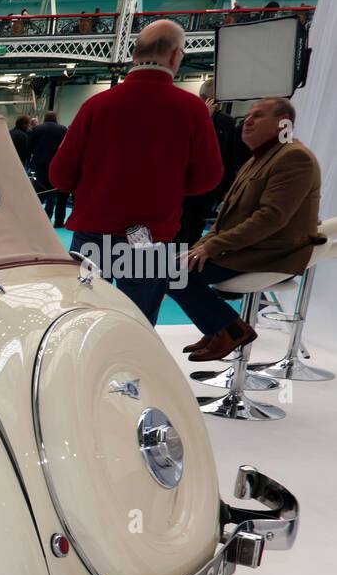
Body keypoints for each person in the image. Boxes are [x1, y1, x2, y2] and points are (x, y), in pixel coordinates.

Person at [49, 19, 222, 324]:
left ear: (133, 55)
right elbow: (208, 178)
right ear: (175, 55)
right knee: (138, 326)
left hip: (94, 237)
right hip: (148, 241)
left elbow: (60, 175)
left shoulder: (96, 106)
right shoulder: (192, 110)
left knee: (82, 319)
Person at [169, 98, 324, 361]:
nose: (247, 121)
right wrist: (199, 247)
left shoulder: (293, 157)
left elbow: (270, 218)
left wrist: (211, 247)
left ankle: (229, 330)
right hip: (251, 246)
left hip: (271, 251)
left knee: (174, 274)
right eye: (249, 115)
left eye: (258, 116)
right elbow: (225, 219)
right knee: (174, 266)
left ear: (283, 123)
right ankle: (218, 329)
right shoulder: (261, 157)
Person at [175, 77, 242, 247]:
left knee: (190, 232)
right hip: (194, 190)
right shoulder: (192, 117)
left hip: (203, 192)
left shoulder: (225, 123)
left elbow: (227, 157)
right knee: (183, 232)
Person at [28, 111, 69, 227]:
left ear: (45, 118)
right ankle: (47, 218)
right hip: (55, 166)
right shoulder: (63, 129)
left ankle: (34, 217)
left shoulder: (37, 129)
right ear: (56, 118)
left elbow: (29, 146)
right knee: (52, 193)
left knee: (38, 192)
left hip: (38, 165)